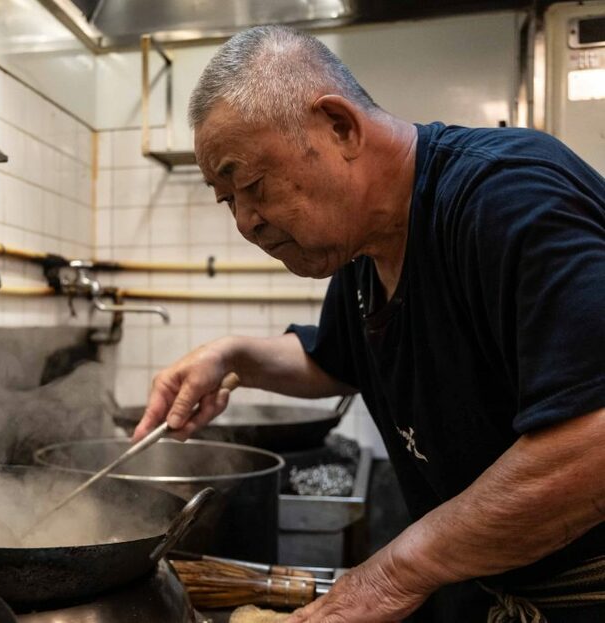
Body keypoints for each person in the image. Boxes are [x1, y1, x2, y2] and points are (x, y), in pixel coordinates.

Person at [131, 25, 605, 623]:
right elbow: (330, 361)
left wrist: (391, 575)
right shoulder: (363, 258)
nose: (246, 224)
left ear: (340, 127)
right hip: (493, 592)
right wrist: (231, 357)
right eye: (228, 200)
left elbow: (596, 441)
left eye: (252, 185)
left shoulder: (505, 197)